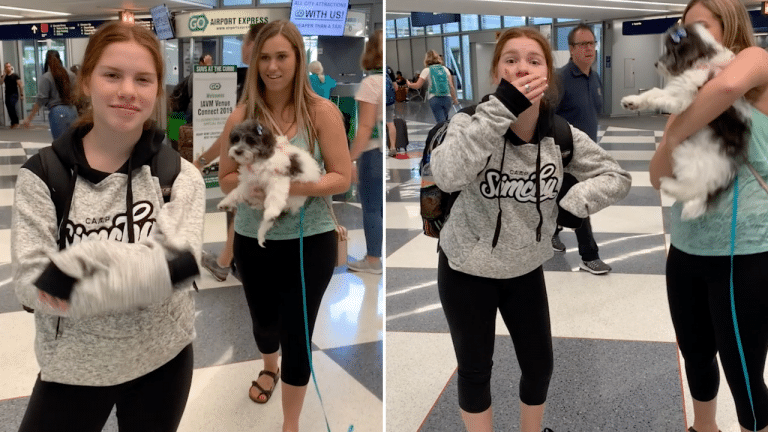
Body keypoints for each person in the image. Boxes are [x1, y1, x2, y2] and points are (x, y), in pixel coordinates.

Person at [430, 27, 631, 432]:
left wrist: (574, 204)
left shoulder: (559, 134)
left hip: (525, 269)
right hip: (466, 269)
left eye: (534, 60)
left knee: (539, 367)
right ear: (495, 73)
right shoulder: (469, 122)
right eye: (511, 60)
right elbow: (449, 174)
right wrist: (501, 108)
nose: (522, 67)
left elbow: (617, 174)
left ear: (547, 76)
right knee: (474, 370)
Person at [12, 20, 205, 432]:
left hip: (163, 359)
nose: (128, 91)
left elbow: (179, 270)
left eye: (143, 79)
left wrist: (80, 268)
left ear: (158, 90)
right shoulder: (43, 176)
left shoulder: (178, 176)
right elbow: (32, 282)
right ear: (86, 82)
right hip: (73, 369)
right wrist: (142, 269)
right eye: (112, 75)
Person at [217, 20, 350, 431]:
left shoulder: (321, 113)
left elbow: (342, 176)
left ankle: (289, 423)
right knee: (264, 324)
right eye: (265, 58)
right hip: (253, 243)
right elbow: (223, 176)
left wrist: (294, 184)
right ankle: (267, 365)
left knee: (298, 337)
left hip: (309, 243)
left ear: (298, 58)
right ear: (255, 61)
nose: (273, 67)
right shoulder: (242, 115)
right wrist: (249, 186)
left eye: (282, 57)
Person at [649, 1, 768, 431]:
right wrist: (672, 139)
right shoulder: (690, 92)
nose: (690, 38)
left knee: (743, 372)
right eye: (685, 29)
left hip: (742, 253)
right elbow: (658, 176)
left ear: (729, 25)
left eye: (701, 26)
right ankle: (703, 427)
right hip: (685, 248)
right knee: (697, 355)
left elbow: (724, 89)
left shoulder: (754, 62)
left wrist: (676, 129)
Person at [198, 23, 267, 282]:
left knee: (244, 205)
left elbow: (231, 135)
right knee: (242, 208)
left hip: (256, 163)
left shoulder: (255, 85)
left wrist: (202, 160)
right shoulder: (253, 81)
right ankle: (225, 260)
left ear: (252, 44)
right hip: (255, 161)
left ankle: (225, 261)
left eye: (242, 41)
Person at [551, 24, 612, 275]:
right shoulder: (559, 80)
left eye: (592, 43)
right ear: (571, 49)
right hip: (566, 154)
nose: (589, 49)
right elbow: (548, 118)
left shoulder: (594, 77)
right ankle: (589, 255)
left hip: (589, 153)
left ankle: (553, 231)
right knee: (581, 200)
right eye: (582, 44)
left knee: (562, 198)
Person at [347, 30, 383, 274]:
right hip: (385, 151)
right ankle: (375, 257)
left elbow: (366, 126)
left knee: (370, 207)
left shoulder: (370, 83)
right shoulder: (387, 81)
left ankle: (372, 260)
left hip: (372, 154)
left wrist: (350, 158)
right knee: (379, 207)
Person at [22, 50, 77, 139]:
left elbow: (41, 99)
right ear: (60, 59)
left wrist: (30, 118)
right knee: (74, 144)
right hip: (72, 110)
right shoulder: (72, 75)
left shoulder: (46, 77)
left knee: (60, 145)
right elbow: (77, 94)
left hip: (57, 112)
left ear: (46, 61)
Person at [406, 50, 459, 123]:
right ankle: (445, 133)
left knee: (440, 122)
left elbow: (417, 86)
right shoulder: (445, 69)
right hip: (447, 98)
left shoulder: (426, 70)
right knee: (445, 120)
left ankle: (442, 133)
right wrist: (454, 99)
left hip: (435, 98)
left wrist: (409, 84)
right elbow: (451, 86)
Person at [2, 62, 23, 128]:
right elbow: (0, 82)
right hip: (7, 94)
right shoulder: (4, 76)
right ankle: (13, 123)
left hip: (14, 94)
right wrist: (4, 74)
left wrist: (21, 94)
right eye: (7, 67)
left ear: (11, 67)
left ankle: (16, 122)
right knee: (9, 108)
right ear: (5, 68)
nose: (8, 68)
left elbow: (20, 85)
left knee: (12, 107)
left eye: (9, 66)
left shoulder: (15, 75)